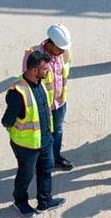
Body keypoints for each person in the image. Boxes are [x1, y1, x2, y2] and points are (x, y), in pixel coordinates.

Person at [1, 51, 66, 218]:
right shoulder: (18, 92)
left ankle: (45, 201)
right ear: (34, 70)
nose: (48, 72)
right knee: (26, 174)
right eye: (45, 69)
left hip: (45, 140)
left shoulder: (39, 82)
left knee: (46, 170)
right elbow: (7, 121)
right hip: (27, 145)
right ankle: (20, 202)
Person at [23, 24, 74, 171]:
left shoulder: (64, 52)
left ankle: (55, 157)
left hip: (59, 102)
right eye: (59, 48)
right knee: (41, 135)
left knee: (57, 130)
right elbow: (28, 80)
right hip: (42, 106)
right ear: (50, 44)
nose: (62, 51)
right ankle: (39, 163)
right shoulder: (33, 56)